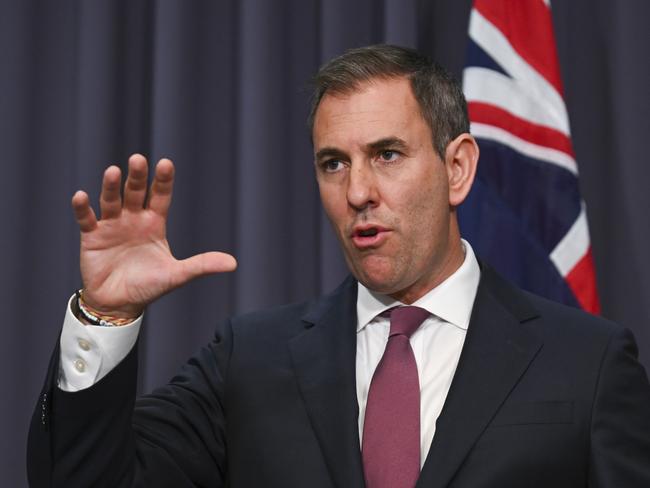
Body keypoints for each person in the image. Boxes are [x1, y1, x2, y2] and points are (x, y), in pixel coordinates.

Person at [27, 45, 650, 487]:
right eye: (334, 163)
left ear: (456, 168)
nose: (357, 192)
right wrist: (105, 314)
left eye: (386, 154)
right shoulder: (250, 359)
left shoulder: (587, 365)